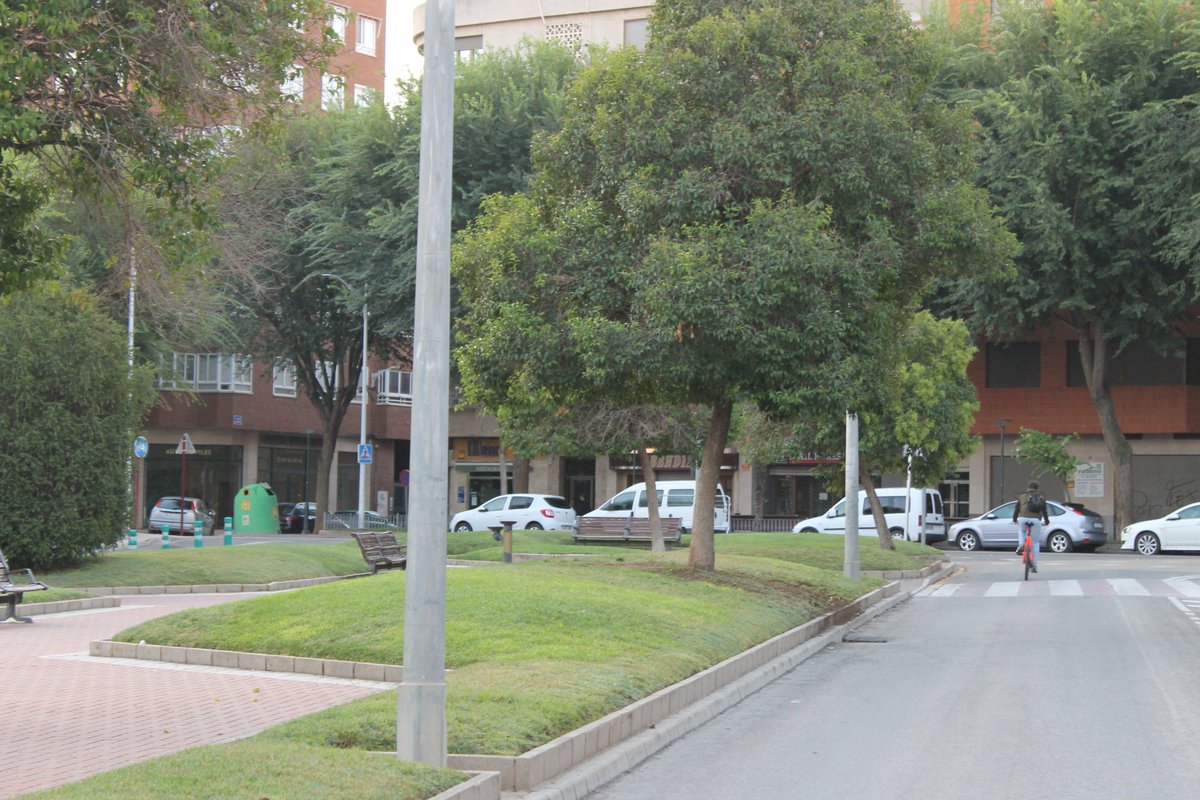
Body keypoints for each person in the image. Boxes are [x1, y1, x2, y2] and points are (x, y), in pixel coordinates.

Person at [1012, 480, 1050, 573]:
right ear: (1037, 488)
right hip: (1036, 521)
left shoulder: (1022, 496)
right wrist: (1047, 521)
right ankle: (1035, 566)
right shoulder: (1041, 497)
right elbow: (1045, 511)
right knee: (1035, 542)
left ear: (1028, 487)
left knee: (1022, 530)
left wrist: (1014, 519)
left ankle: (1021, 545)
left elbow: (1016, 509)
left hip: (1023, 519)